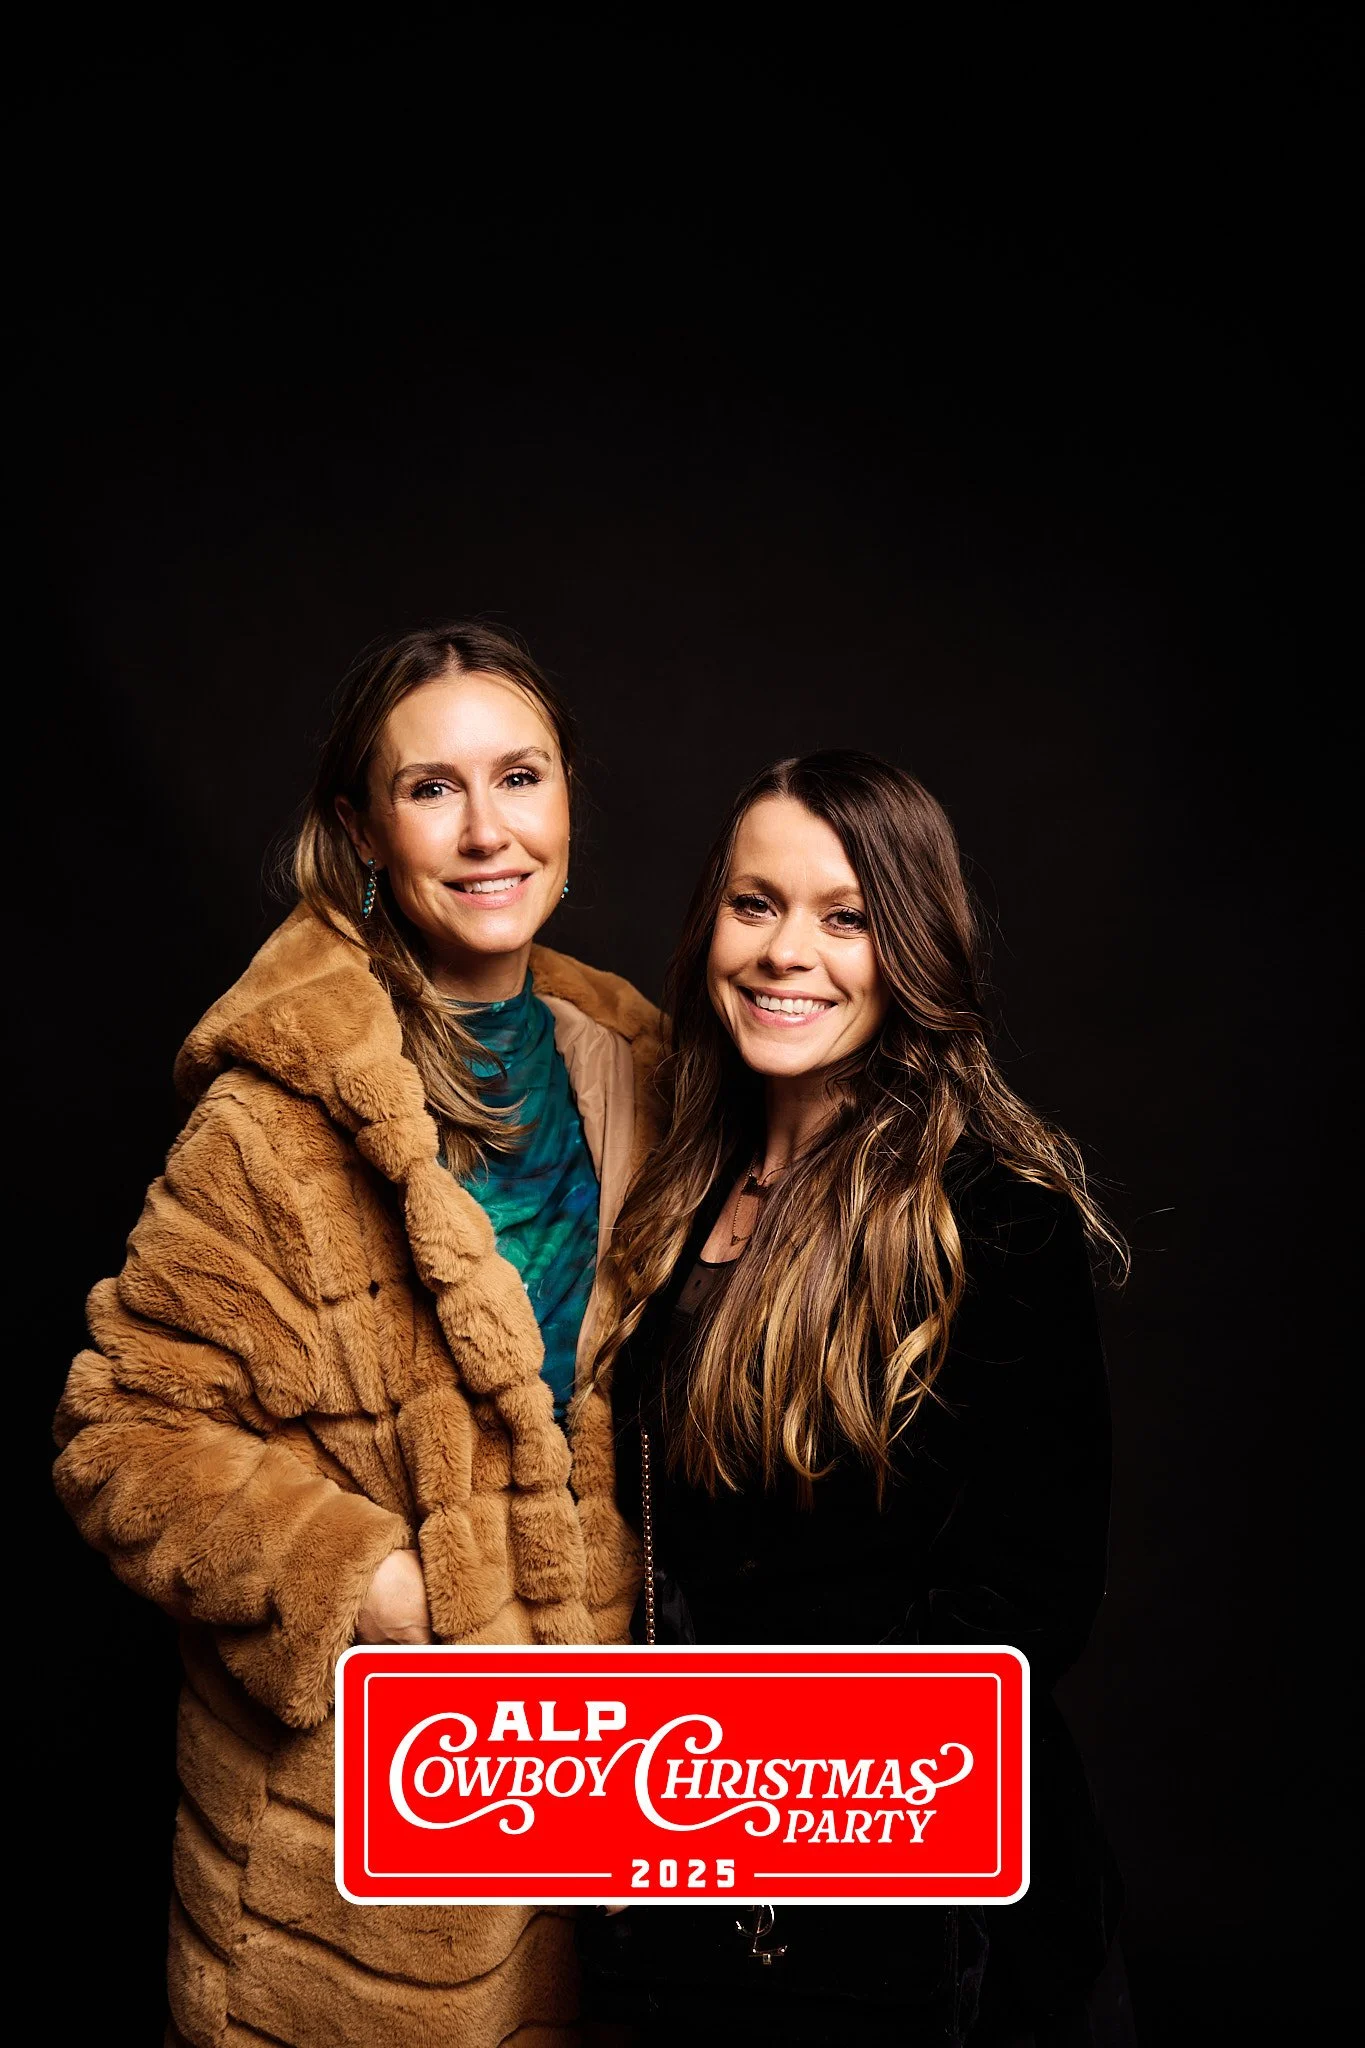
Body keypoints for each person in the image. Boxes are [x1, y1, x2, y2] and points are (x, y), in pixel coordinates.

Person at [54, 622, 660, 2048]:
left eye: (520, 776)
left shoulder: (642, 1069)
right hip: (353, 1884)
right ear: (362, 829)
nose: (488, 830)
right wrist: (376, 1586)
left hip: (594, 1829)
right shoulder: (278, 1119)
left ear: (569, 799)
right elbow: (121, 1434)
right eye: (432, 788)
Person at [577, 752, 1131, 2047]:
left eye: (847, 917)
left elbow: (1021, 1614)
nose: (788, 952)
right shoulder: (676, 1193)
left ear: (912, 951)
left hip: (920, 1926)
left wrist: (757, 1783)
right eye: (755, 904)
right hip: (698, 1895)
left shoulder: (994, 1219)